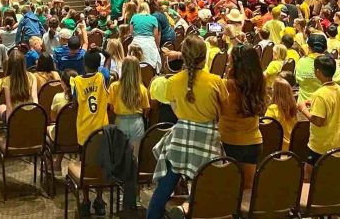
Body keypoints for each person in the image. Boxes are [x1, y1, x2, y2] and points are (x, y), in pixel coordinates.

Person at [147, 36, 227, 219]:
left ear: (183, 56)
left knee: (164, 188)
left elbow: (174, 107)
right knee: (207, 187)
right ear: (204, 57)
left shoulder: (173, 81)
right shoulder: (216, 81)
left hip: (180, 136)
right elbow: (223, 111)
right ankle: (187, 207)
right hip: (208, 139)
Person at [219, 45, 266, 189]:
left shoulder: (226, 84)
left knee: (228, 188)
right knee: (247, 189)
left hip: (229, 142)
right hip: (254, 141)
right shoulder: (260, 80)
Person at [297, 54, 340, 177]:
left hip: (321, 144)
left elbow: (318, 121)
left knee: (309, 177)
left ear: (318, 72)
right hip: (338, 141)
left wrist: (303, 109)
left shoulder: (319, 94)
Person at [74, 50, 109, 216]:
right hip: (101, 129)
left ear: (84, 64)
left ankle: (86, 200)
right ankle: (100, 200)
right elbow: (105, 69)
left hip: (84, 130)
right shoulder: (101, 77)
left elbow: (74, 103)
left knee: (86, 166)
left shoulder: (78, 82)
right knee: (101, 166)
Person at [108, 56, 149, 154]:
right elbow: (146, 109)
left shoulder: (114, 87)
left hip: (120, 122)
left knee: (120, 157)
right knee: (135, 157)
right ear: (137, 71)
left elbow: (111, 107)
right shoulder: (142, 88)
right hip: (137, 123)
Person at [296, 34, 340, 103]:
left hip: (304, 106)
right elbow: (338, 81)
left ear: (308, 48)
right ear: (326, 48)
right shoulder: (333, 62)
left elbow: (297, 81)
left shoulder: (301, 62)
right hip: (327, 105)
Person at [48, 69, 76, 171]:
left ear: (63, 83)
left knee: (49, 131)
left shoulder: (58, 97)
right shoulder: (81, 98)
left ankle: (50, 162)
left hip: (61, 136)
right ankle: (57, 163)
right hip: (78, 135)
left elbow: (53, 118)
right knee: (66, 129)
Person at [0, 50, 37, 121]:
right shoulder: (32, 76)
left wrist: (10, 125)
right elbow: (35, 99)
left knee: (1, 106)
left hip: (16, 116)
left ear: (9, 64)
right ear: (23, 63)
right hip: (30, 114)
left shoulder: (6, 80)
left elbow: (9, 106)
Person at [265, 76, 297, 149]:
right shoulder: (293, 108)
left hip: (277, 148)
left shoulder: (273, 109)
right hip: (291, 147)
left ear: (275, 92)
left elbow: (266, 130)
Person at [130, 2, 160, 72]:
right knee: (152, 64)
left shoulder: (134, 17)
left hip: (136, 42)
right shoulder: (153, 18)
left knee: (134, 64)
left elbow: (131, 32)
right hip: (149, 43)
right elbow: (155, 35)